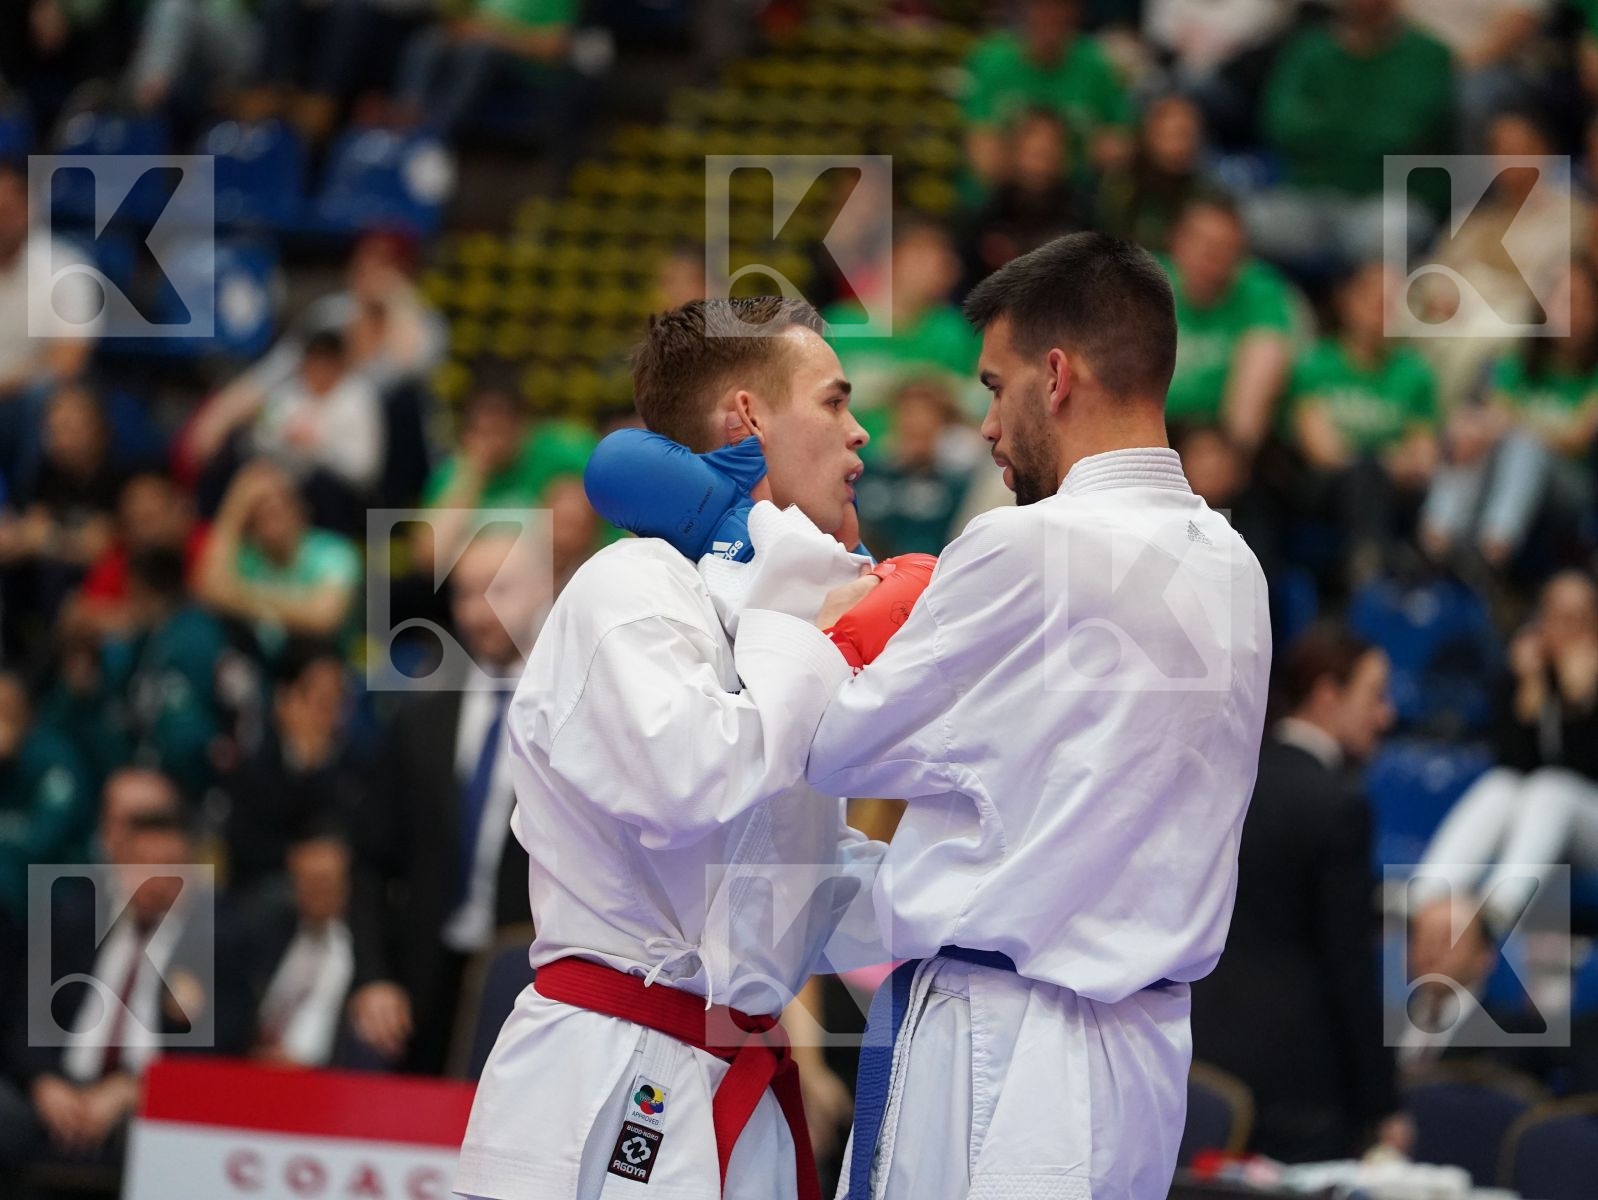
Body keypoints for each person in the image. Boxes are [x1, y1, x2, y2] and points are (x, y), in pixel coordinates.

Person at [802, 233, 1272, 1199]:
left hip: (997, 1044)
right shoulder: (1238, 568)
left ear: (1054, 376)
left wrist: (818, 622)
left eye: (992, 384)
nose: (985, 426)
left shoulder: (1023, 546)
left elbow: (836, 747)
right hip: (1144, 1052)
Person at [454, 297, 889, 1200]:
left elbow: (794, 878)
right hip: (610, 1076)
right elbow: (694, 778)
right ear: (748, 416)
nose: (862, 434)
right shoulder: (628, 587)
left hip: (738, 1086)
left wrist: (984, 903)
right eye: (835, 402)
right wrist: (802, 611)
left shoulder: (769, 614)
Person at [1191, 625, 1407, 1163]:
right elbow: (1349, 966)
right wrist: (1383, 1103)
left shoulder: (1225, 776)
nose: (1387, 715)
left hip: (1201, 1053)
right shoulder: (1338, 805)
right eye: (1374, 695)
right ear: (1326, 694)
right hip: (1300, 1083)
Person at [347, 531, 543, 1075]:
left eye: (499, 590)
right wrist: (372, 976)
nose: (479, 611)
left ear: (544, 591)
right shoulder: (420, 718)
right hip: (419, 986)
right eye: (465, 594)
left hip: (528, 980)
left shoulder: (574, 715)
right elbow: (369, 859)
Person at [1411, 571, 1598, 937]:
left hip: (1590, 822)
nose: (1565, 628)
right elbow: (1512, 763)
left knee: (1553, 787)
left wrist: (1582, 704)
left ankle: (1500, 908)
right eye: (1556, 616)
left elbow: (1582, 769)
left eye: (1578, 618)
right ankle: (1427, 896)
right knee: (1502, 786)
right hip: (1548, 822)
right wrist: (1529, 691)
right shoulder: (1527, 669)